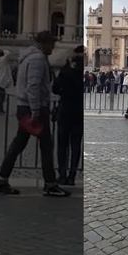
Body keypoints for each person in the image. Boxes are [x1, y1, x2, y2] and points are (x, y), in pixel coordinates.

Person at [0, 31, 70, 197]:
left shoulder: (30, 57)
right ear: (45, 43)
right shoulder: (37, 59)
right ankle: (50, 184)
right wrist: (35, 110)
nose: (53, 47)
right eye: (52, 44)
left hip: (25, 107)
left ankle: (2, 179)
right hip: (33, 109)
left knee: (19, 144)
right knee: (46, 146)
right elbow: (33, 86)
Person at [52, 47, 83, 186]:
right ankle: (72, 175)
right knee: (76, 145)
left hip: (65, 111)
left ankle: (62, 174)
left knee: (62, 144)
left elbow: (55, 89)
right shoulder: (82, 73)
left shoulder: (65, 72)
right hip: (79, 112)